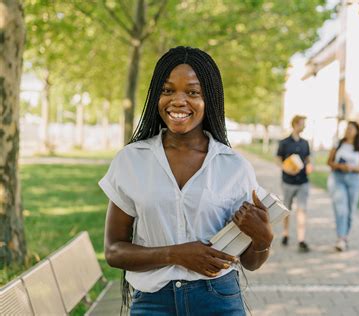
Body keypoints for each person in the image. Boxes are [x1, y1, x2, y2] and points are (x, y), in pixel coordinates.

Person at [99, 46, 273, 315]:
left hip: (218, 300)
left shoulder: (234, 167)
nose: (178, 101)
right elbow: (114, 252)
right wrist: (176, 254)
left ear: (209, 99)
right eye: (167, 90)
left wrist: (263, 240)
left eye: (192, 92)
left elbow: (250, 262)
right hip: (153, 303)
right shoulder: (131, 160)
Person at [327, 121, 359, 252]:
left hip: (354, 180)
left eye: (351, 129)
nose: (348, 131)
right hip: (338, 178)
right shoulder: (338, 143)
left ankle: (344, 236)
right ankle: (341, 238)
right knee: (341, 209)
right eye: (347, 128)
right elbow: (329, 161)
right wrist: (340, 166)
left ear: (356, 131)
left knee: (350, 211)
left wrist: (353, 167)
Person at [276, 115, 313, 253]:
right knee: (287, 209)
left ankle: (301, 240)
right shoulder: (284, 142)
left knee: (302, 210)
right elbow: (278, 159)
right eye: (303, 123)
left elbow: (307, 159)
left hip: (303, 181)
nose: (304, 126)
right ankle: (285, 234)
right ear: (296, 124)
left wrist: (309, 165)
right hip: (288, 182)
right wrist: (285, 168)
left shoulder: (305, 143)